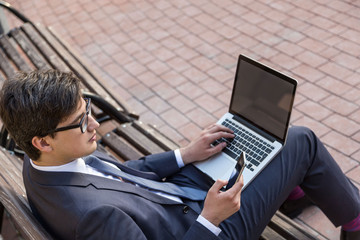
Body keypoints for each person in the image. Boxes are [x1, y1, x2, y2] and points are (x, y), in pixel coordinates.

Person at [0, 70, 359, 240]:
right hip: (203, 227)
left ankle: (288, 187)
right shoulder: (94, 219)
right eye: (81, 121)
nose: (95, 123)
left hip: (172, 196)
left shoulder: (45, 165)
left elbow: (124, 174)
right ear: (42, 141)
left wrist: (184, 154)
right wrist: (210, 218)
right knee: (301, 140)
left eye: (88, 109)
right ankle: (353, 221)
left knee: (234, 140)